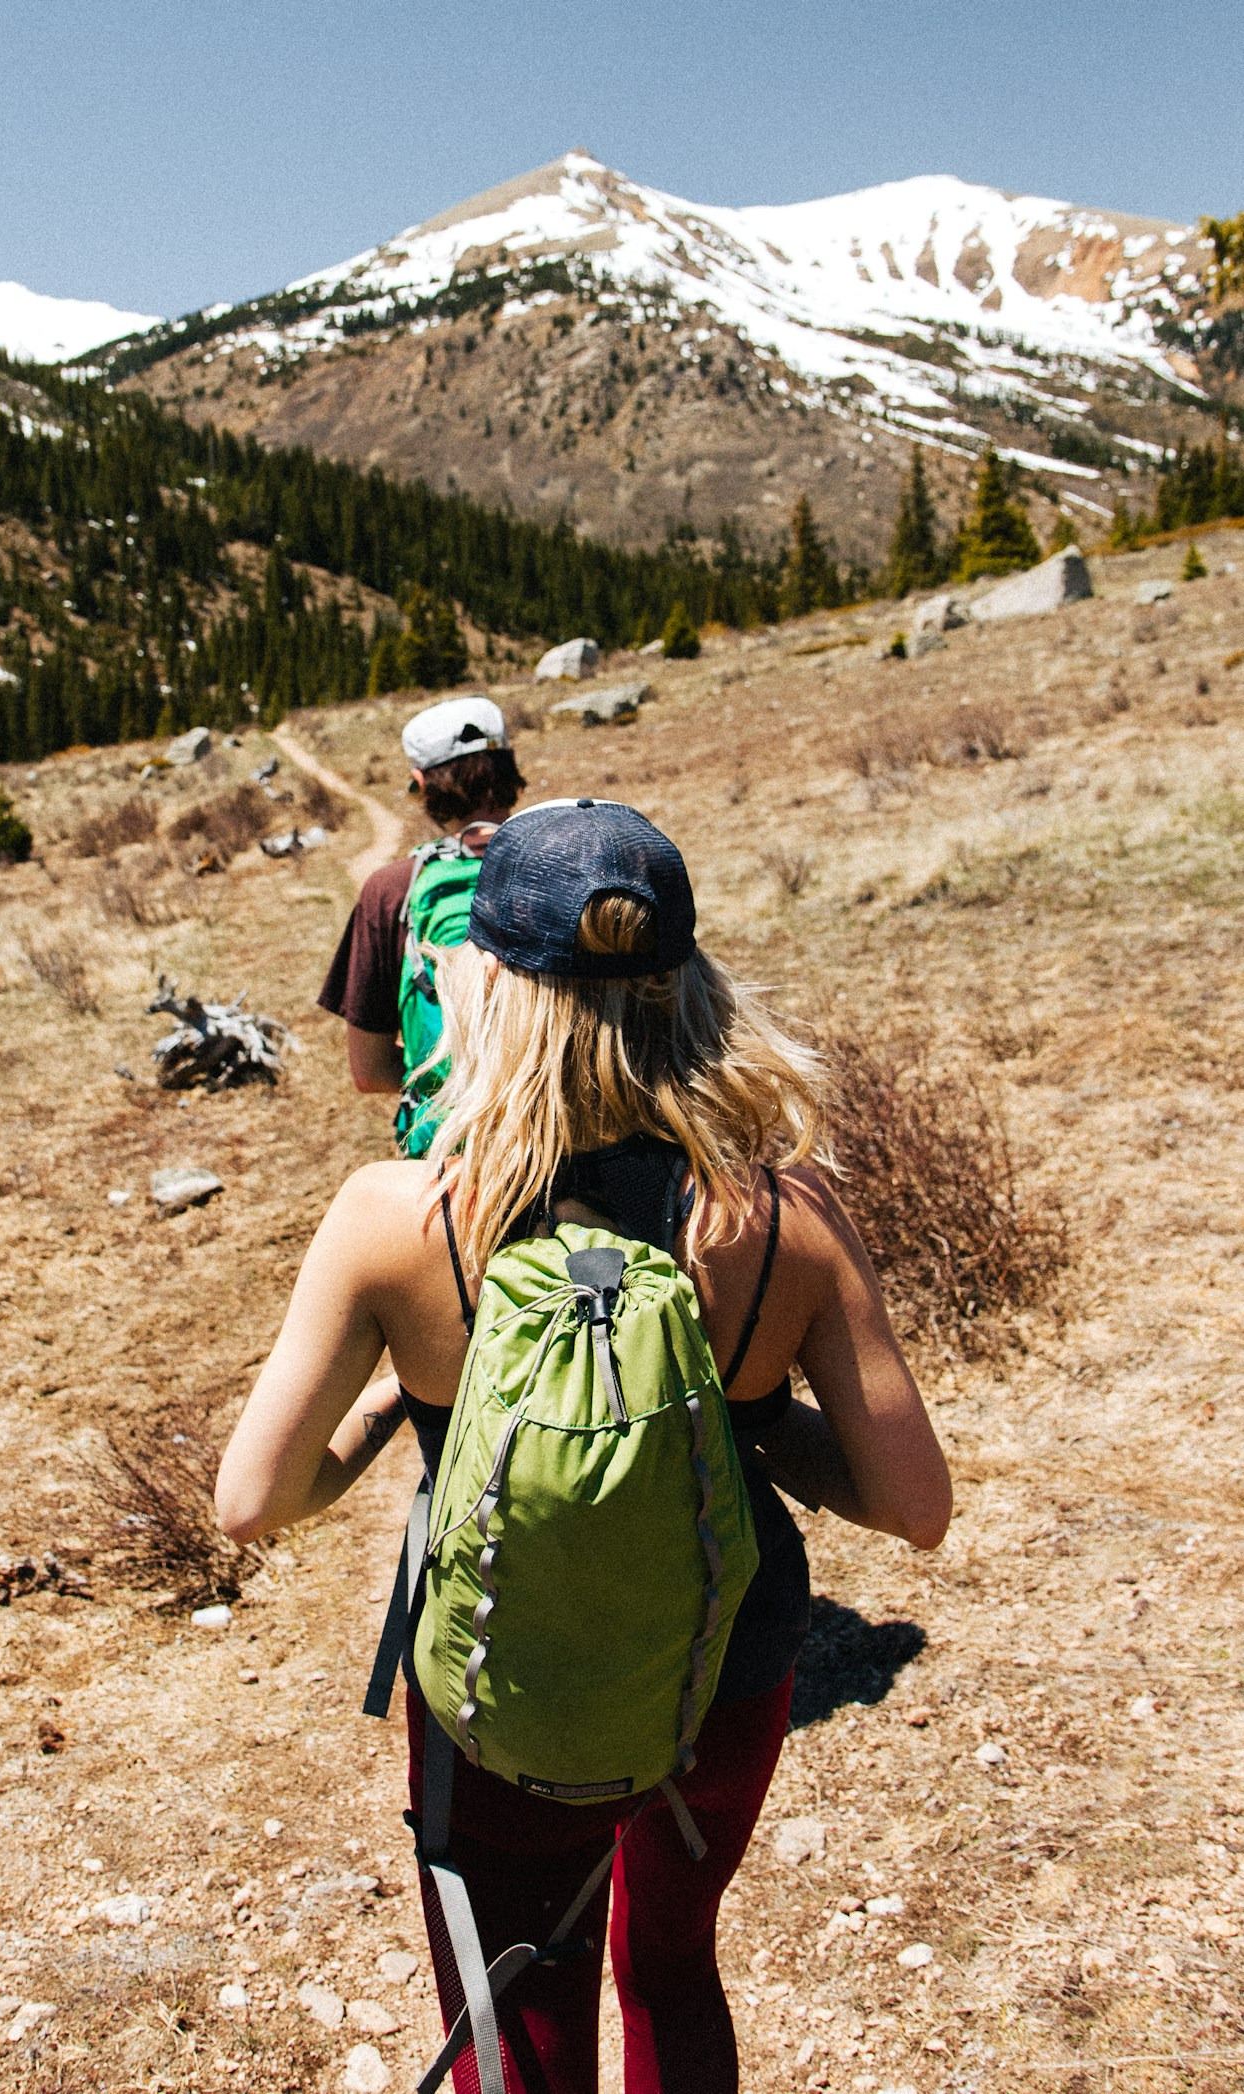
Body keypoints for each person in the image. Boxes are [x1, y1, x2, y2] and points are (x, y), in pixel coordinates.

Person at [219, 799, 951, 2094]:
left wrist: (398, 1402)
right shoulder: (783, 1211)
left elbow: (253, 1498)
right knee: (670, 1964)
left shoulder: (401, 1215)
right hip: (726, 1670)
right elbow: (912, 1503)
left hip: (499, 1683)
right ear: (692, 984)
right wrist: (751, 1417)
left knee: (520, 1999)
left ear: (484, 981)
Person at [318, 694, 526, 1145]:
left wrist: (448, 1076)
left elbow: (369, 1071)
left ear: (421, 785)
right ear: (510, 773)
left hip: (454, 1152)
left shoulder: (393, 888)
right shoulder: (572, 862)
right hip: (572, 1145)